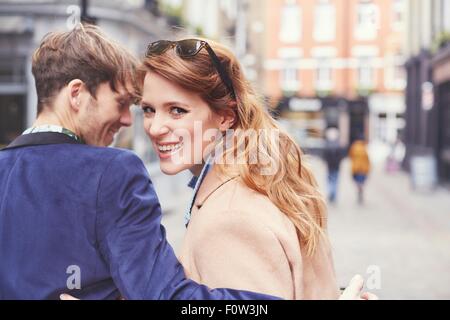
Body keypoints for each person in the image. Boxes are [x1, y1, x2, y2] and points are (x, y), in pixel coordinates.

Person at [0, 24, 279, 300]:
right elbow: (164, 296)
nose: (126, 119)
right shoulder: (111, 171)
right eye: (122, 103)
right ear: (77, 94)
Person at [139, 38, 370, 300]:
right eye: (148, 109)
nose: (155, 128)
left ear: (226, 116)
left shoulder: (229, 218)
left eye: (177, 110)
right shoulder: (260, 179)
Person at [323, 127, 345, 204]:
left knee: (330, 180)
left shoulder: (327, 145)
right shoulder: (338, 145)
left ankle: (331, 192)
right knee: (335, 181)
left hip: (330, 166)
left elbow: (324, 157)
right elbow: (341, 157)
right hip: (336, 166)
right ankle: (334, 194)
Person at [349, 137, 371, 205]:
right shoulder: (365, 148)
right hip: (363, 169)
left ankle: (359, 189)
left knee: (357, 182)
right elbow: (368, 159)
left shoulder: (353, 147)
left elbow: (351, 156)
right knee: (361, 182)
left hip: (356, 168)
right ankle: (360, 190)